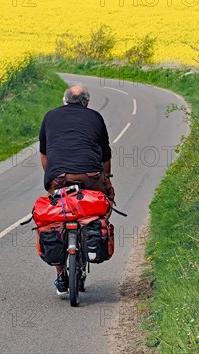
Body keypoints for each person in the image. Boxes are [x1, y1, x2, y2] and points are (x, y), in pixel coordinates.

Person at [38, 84, 115, 296]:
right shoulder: (95, 117)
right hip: (90, 175)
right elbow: (105, 155)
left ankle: (60, 275)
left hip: (58, 177)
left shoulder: (49, 116)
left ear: (64, 101)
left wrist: (53, 178)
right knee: (106, 200)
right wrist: (106, 177)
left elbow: (44, 156)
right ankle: (94, 228)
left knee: (56, 216)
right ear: (87, 103)